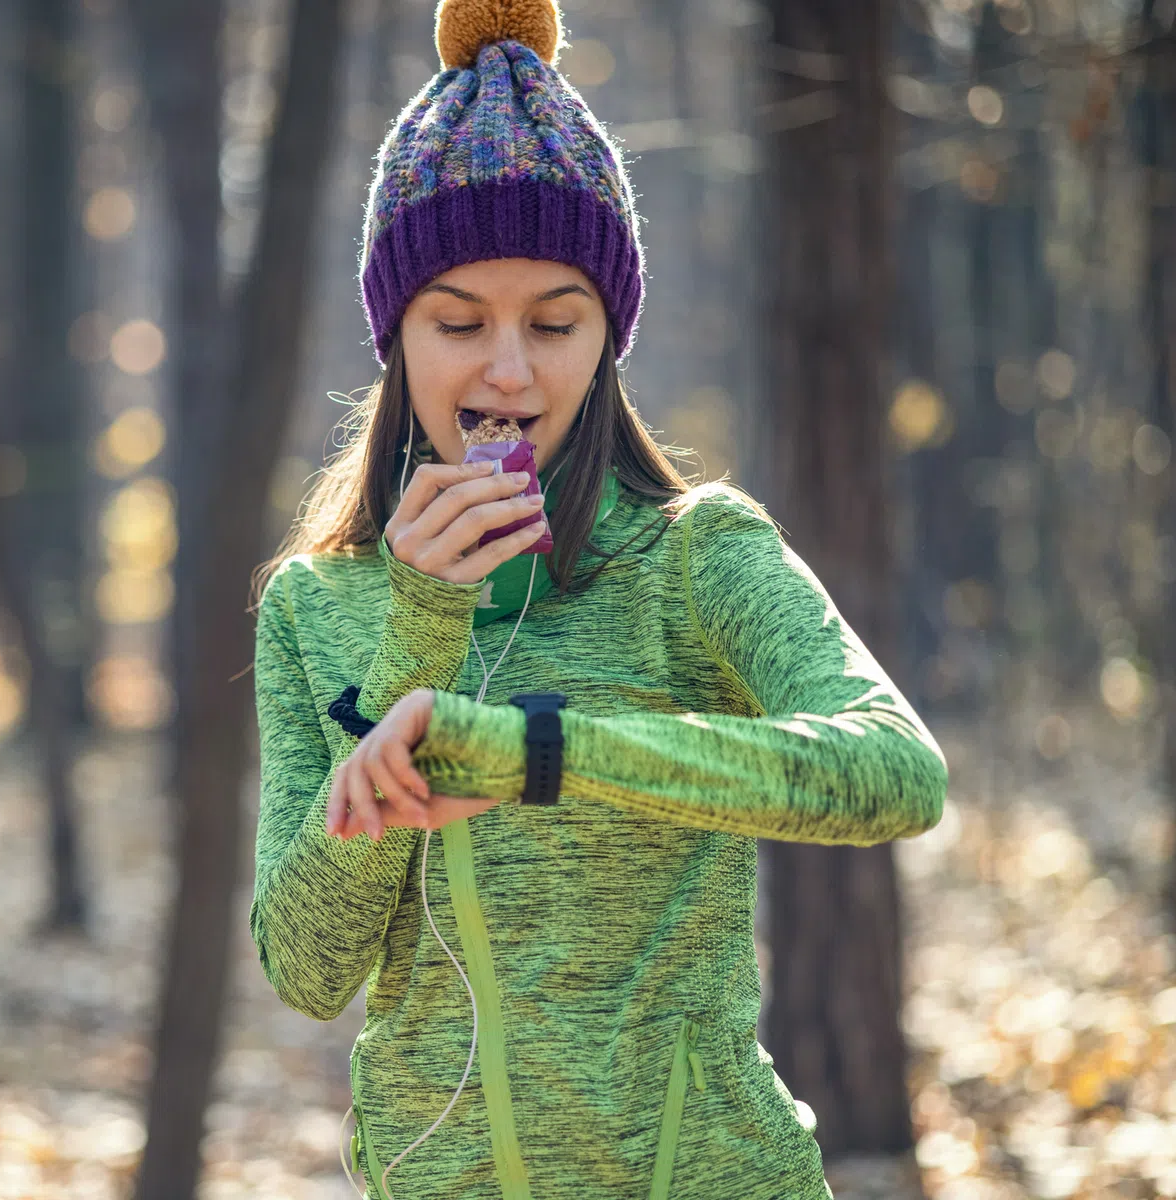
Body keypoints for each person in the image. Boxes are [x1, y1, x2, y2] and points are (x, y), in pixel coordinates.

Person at [247, 2, 948, 1196]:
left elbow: (893, 774)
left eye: (556, 324)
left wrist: (548, 752)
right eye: (457, 322)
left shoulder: (697, 556)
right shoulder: (315, 607)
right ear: (394, 338)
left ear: (608, 339)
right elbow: (308, 972)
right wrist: (420, 621)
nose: (509, 370)